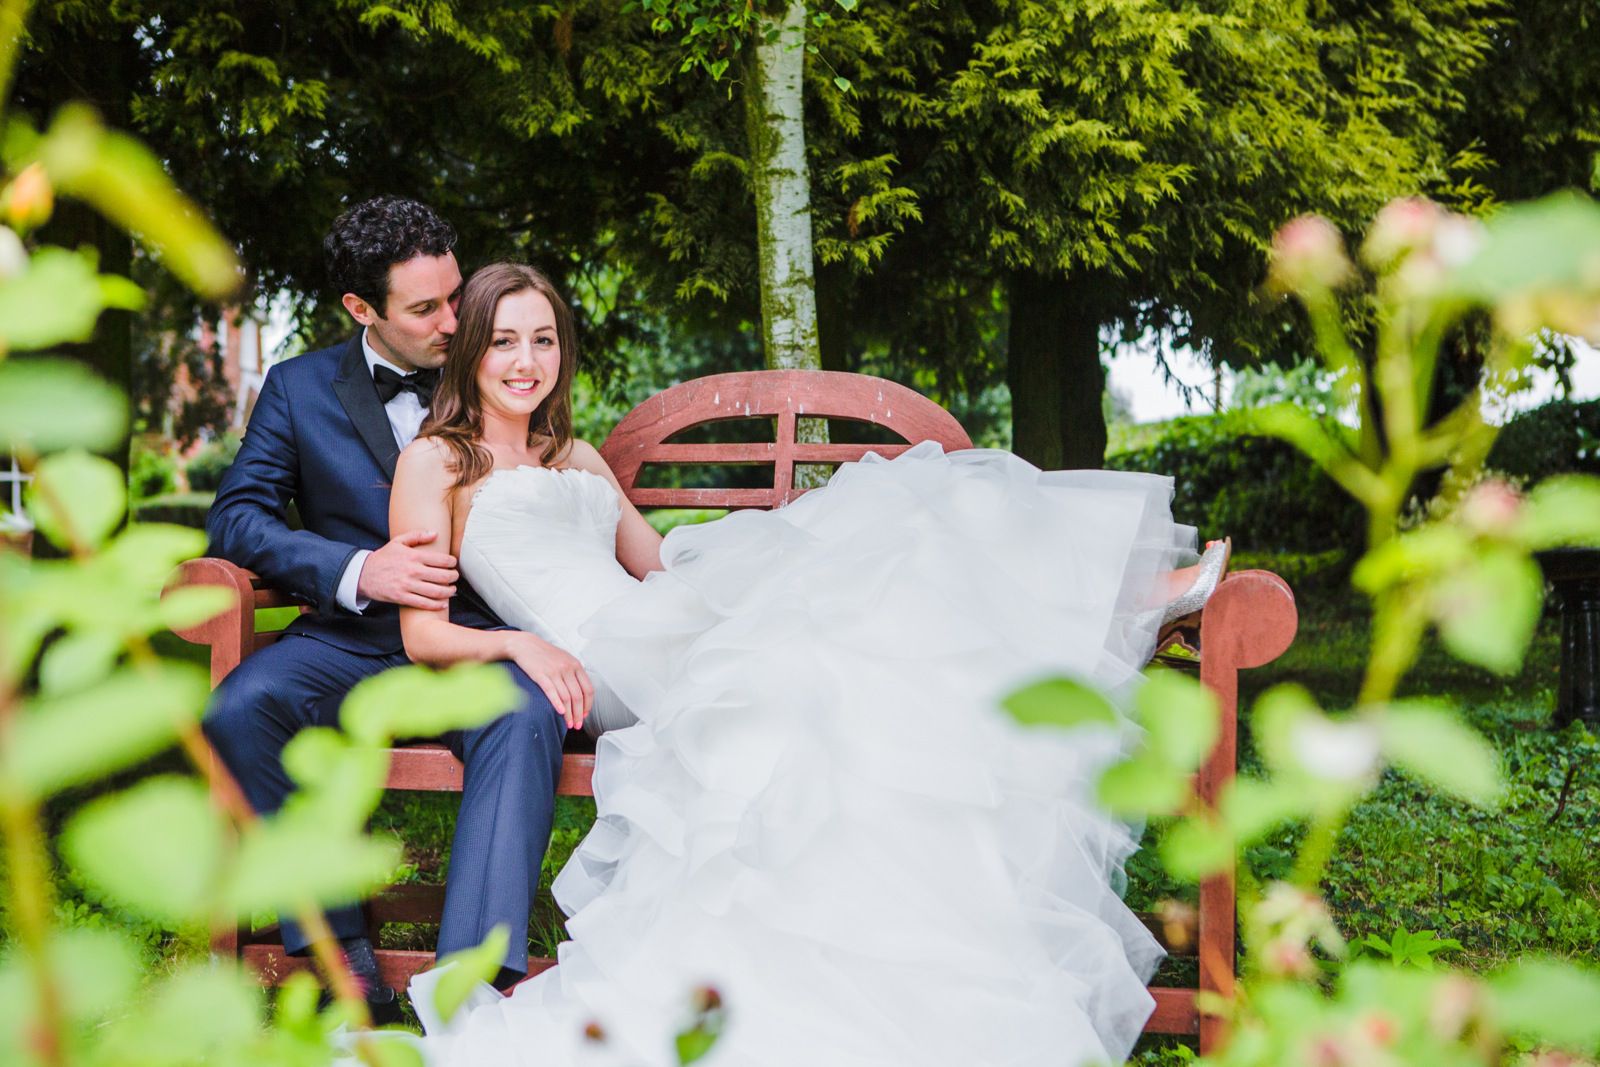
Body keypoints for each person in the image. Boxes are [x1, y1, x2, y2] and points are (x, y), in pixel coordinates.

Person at [389, 262, 1227, 1065]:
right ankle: (1120, 609)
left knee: (884, 572)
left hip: (651, 621)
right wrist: (519, 643)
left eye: (544, 339)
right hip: (603, 660)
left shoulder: (573, 456)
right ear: (470, 352)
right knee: (873, 567)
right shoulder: (437, 462)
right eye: (504, 341)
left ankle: (1112, 608)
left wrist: (769, 562)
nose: (527, 362)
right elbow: (422, 632)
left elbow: (656, 564)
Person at [203, 202, 576, 1023]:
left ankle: (470, 988)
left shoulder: (495, 365)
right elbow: (237, 516)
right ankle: (336, 946)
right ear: (360, 309)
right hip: (352, 637)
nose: (455, 321)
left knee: (524, 713)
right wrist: (356, 567)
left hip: (472, 635)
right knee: (238, 707)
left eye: (455, 295)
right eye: (427, 308)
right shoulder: (299, 388)